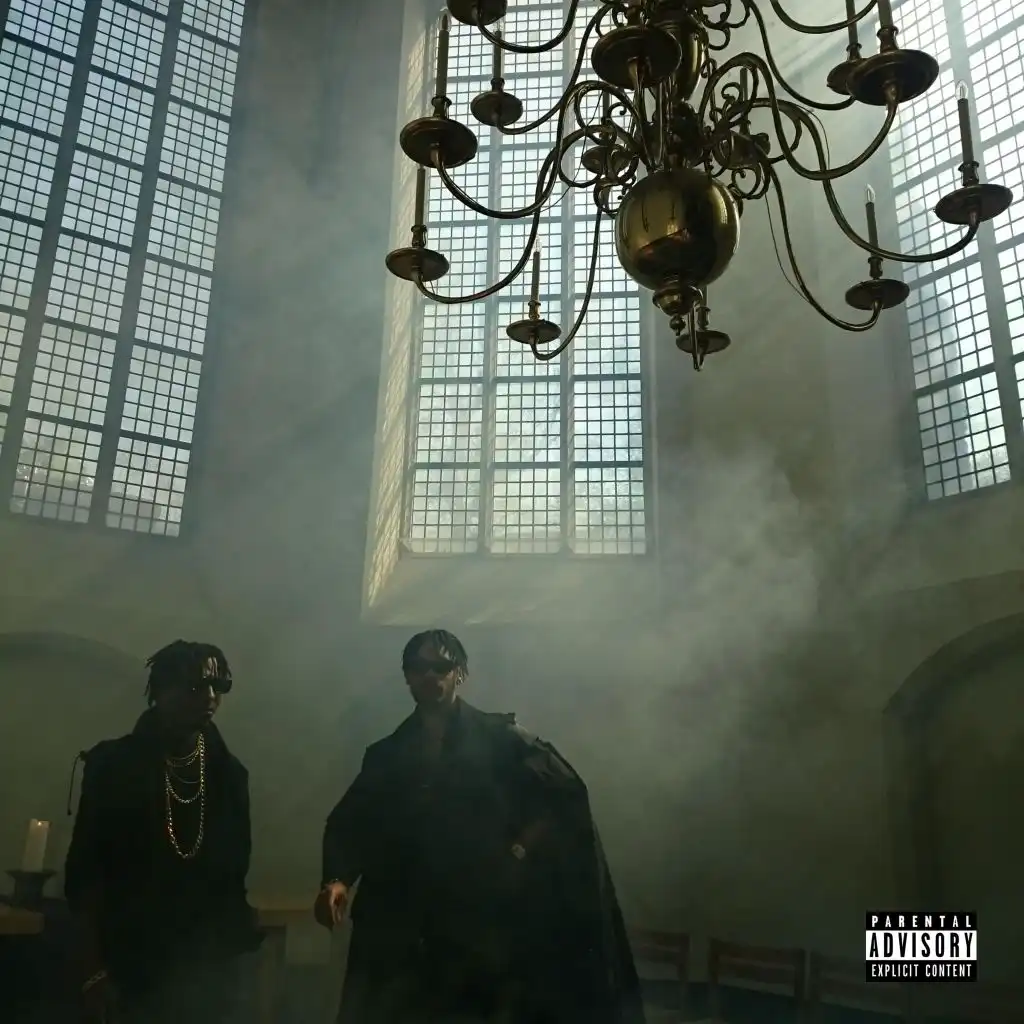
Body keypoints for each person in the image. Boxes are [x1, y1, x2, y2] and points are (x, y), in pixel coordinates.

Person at [314, 629, 645, 1024]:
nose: (430, 675)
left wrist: (520, 849)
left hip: (479, 926)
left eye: (441, 666)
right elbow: (354, 820)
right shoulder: (387, 754)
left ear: (460, 673)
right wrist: (337, 879)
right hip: (403, 925)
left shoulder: (503, 740)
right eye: (419, 667)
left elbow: (564, 793)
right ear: (406, 676)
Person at [64, 640, 263, 1023]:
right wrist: (93, 970)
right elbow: (85, 873)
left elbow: (233, 875)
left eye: (218, 687)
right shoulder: (114, 766)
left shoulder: (228, 775)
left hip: (208, 968)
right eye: (195, 686)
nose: (210, 698)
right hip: (131, 962)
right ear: (161, 692)